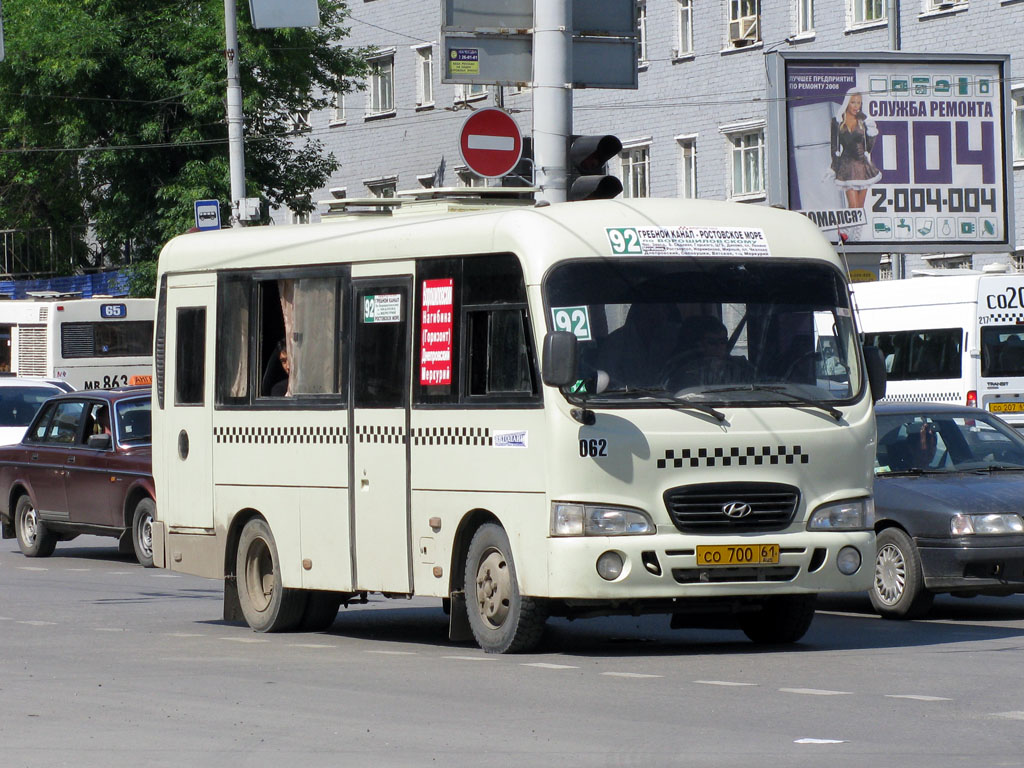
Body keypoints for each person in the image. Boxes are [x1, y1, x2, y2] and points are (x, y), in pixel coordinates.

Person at [660, 315, 753, 390]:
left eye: (723, 342)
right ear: (699, 345)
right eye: (712, 342)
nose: (719, 347)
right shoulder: (684, 372)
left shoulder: (741, 367)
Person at [830, 91, 882, 210]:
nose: (856, 106)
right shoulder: (837, 121)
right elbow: (834, 147)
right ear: (847, 103)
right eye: (853, 102)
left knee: (860, 206)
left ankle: (858, 229)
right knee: (853, 206)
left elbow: (868, 148)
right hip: (847, 166)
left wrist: (872, 132)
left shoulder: (863, 121)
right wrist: (834, 167)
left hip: (863, 166)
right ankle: (850, 229)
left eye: (859, 103)